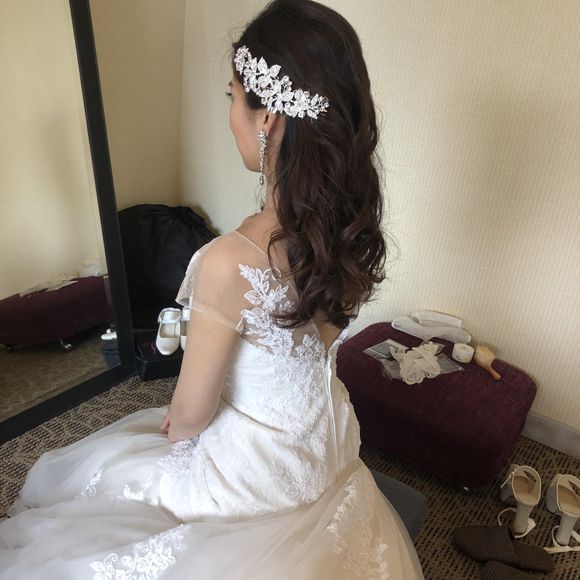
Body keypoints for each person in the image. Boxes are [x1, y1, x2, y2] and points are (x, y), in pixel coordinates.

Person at [0, 1, 425, 577]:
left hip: (254, 479)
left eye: (232, 96)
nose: (229, 114)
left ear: (267, 117)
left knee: (113, 480)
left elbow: (193, 412)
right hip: (327, 448)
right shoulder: (343, 233)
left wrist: (178, 425)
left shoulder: (230, 262)